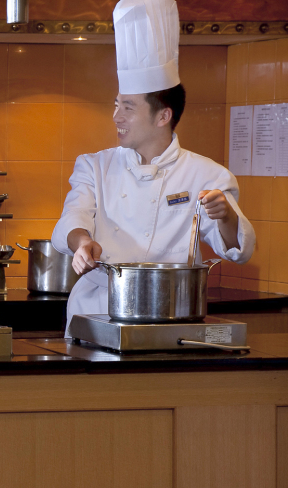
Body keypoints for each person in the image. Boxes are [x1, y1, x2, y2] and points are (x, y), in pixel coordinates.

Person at [51, 0, 255, 334]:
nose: (116, 116)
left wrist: (227, 216)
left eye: (128, 108)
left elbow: (236, 251)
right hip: (95, 311)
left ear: (163, 116)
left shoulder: (207, 175)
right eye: (116, 105)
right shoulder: (94, 165)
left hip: (169, 315)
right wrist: (82, 243)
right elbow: (73, 217)